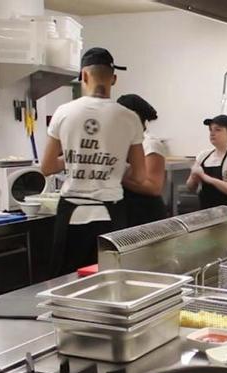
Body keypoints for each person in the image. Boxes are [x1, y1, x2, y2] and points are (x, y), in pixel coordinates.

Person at [40, 47, 145, 276]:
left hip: (72, 217)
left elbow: (46, 167)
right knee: (110, 281)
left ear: (84, 76)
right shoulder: (130, 117)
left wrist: (76, 161)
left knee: (67, 283)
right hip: (111, 216)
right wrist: (111, 166)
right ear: (114, 79)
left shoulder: (63, 112)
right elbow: (140, 176)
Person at [117, 94, 168, 226]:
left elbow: (154, 187)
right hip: (128, 210)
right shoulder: (123, 142)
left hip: (146, 212)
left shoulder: (150, 143)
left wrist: (117, 176)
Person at [186, 114, 227, 219]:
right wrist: (193, 176)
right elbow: (190, 187)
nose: (212, 133)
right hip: (207, 214)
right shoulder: (203, 156)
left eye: (218, 130)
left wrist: (207, 178)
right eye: (210, 130)